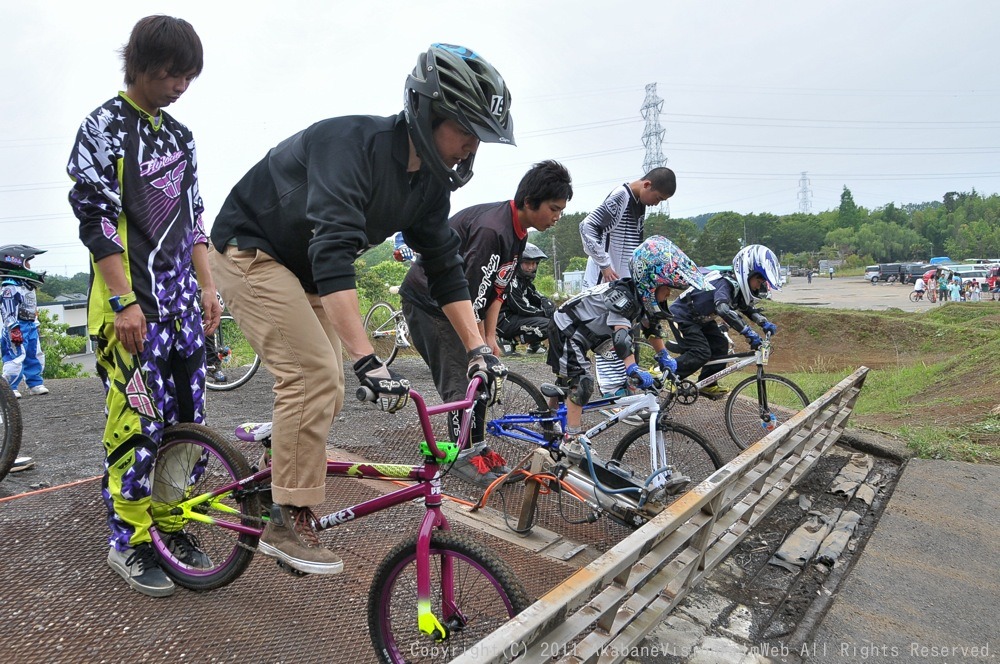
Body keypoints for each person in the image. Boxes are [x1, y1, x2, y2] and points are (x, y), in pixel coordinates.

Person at [208, 43, 514, 573]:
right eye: (465, 130)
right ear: (427, 111)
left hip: (303, 272)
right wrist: (367, 355)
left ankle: (274, 478)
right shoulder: (350, 143)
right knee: (313, 375)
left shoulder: (427, 186)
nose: (470, 147)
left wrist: (478, 348)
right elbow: (333, 249)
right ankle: (288, 517)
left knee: (327, 384)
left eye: (478, 137)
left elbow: (445, 267)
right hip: (249, 252)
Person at [66, 15, 221, 598]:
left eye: (188, 76)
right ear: (139, 64)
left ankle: (172, 524)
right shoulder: (105, 125)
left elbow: (194, 217)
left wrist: (208, 288)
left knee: (187, 422)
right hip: (131, 310)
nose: (179, 85)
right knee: (138, 425)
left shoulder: (180, 136)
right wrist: (124, 299)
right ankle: (128, 542)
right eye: (170, 73)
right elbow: (96, 217)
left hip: (182, 304)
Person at [400, 160, 572, 487]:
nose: (556, 217)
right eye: (553, 208)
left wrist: (489, 338)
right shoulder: (491, 230)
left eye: (561, 211)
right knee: (460, 377)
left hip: (458, 303)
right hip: (430, 303)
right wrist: (476, 345)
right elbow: (463, 292)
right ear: (530, 200)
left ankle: (476, 446)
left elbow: (497, 289)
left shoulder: (518, 233)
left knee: (482, 372)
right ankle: (462, 456)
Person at [547, 236, 705, 447]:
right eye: (667, 287)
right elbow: (621, 338)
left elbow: (652, 328)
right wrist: (632, 368)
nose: (669, 293)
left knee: (566, 381)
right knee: (581, 383)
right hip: (567, 327)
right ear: (651, 283)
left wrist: (664, 356)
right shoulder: (623, 297)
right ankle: (572, 438)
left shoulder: (641, 299)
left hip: (585, 333)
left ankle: (549, 417)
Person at [579, 168, 676, 399]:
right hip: (604, 285)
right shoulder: (621, 196)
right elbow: (587, 227)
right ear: (647, 185)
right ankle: (608, 392)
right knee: (596, 339)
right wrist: (604, 263)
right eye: (658, 198)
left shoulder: (639, 203)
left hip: (623, 283)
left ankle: (625, 387)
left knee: (628, 334)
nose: (656, 204)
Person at [668, 244, 782, 399]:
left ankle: (707, 384)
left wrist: (763, 322)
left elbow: (746, 308)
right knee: (701, 352)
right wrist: (748, 332)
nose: (759, 285)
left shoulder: (737, 288)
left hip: (701, 320)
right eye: (759, 280)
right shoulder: (725, 283)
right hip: (683, 316)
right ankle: (665, 375)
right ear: (747, 272)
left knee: (720, 345)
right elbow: (723, 309)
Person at [0, 245, 49, 398]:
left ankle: (35, 383)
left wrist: (36, 323)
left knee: (35, 354)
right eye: (27, 262)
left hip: (30, 324)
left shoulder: (27, 285)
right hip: (16, 325)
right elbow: (8, 309)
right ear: (16, 263)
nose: (29, 266)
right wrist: (13, 327)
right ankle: (9, 387)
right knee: (15, 356)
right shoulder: (11, 287)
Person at [497, 242, 556, 356]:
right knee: (550, 325)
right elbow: (521, 307)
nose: (531, 267)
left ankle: (533, 344)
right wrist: (544, 312)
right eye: (527, 263)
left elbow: (535, 296)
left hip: (514, 318)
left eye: (534, 263)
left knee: (552, 316)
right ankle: (509, 340)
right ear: (518, 263)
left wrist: (547, 304)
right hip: (504, 321)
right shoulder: (511, 280)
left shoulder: (524, 281)